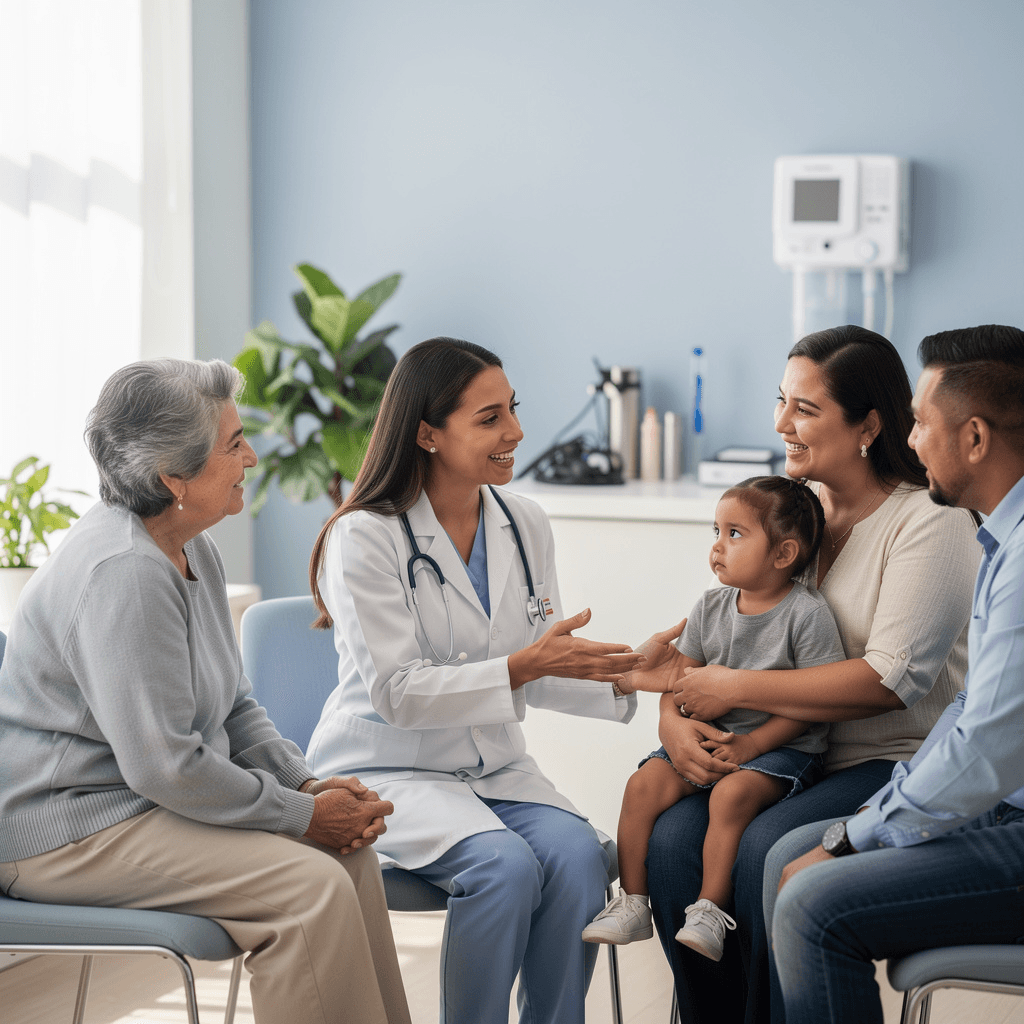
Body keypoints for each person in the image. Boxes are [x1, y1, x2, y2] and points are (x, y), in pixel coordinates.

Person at [0, 359, 411, 1024]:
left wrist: (307, 788)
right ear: (172, 478)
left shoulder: (192, 547)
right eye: (233, 445)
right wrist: (302, 816)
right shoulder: (123, 573)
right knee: (309, 888)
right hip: (66, 833)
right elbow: (166, 766)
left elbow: (235, 706)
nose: (251, 455)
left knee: (350, 860)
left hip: (137, 806)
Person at [643, 325, 981, 1024]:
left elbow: (890, 681)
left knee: (765, 847)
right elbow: (712, 650)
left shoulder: (928, 522)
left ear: (868, 425)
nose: (781, 424)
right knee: (672, 838)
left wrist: (731, 692)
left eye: (805, 408)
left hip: (886, 758)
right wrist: (673, 721)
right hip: (782, 750)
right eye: (781, 401)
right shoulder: (791, 515)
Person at [304, 337, 644, 1024]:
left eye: (511, 409)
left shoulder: (525, 523)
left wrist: (634, 673)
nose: (516, 432)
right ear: (426, 432)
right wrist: (525, 665)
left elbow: (539, 662)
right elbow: (398, 692)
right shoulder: (365, 536)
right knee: (505, 868)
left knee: (580, 858)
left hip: (494, 769)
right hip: (391, 768)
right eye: (489, 418)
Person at [766, 324, 1024, 1024]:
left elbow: (987, 746)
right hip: (1002, 803)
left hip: (1009, 816)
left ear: (973, 438)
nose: (909, 442)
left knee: (812, 902)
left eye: (920, 424)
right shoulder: (1003, 535)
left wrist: (858, 833)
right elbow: (974, 712)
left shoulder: (999, 547)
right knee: (791, 853)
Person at [583, 476, 845, 962]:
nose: (717, 547)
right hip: (712, 741)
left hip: (781, 750)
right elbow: (684, 676)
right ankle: (635, 901)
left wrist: (754, 745)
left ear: (784, 554)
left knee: (731, 795)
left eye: (735, 534)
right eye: (715, 531)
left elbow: (812, 706)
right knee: (642, 786)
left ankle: (708, 909)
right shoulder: (710, 606)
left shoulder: (807, 616)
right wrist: (659, 701)